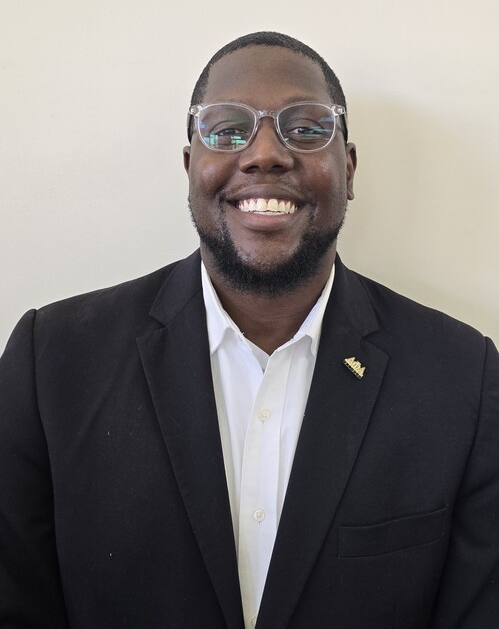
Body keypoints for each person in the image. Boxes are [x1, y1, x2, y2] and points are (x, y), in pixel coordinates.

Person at [0, 31, 498, 629]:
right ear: (191, 166)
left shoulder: (463, 379)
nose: (265, 154)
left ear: (349, 168)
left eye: (306, 128)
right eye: (228, 130)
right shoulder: (50, 363)